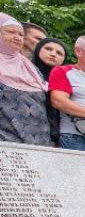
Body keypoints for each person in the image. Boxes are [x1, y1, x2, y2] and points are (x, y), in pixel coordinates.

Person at [0, 14, 51, 145]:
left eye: (21, 35)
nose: (17, 38)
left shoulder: (31, 68)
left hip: (39, 143)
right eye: (11, 32)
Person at [30, 37, 67, 144]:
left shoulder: (67, 80)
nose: (53, 54)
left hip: (57, 137)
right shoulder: (23, 73)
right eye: (48, 49)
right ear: (38, 50)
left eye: (59, 53)